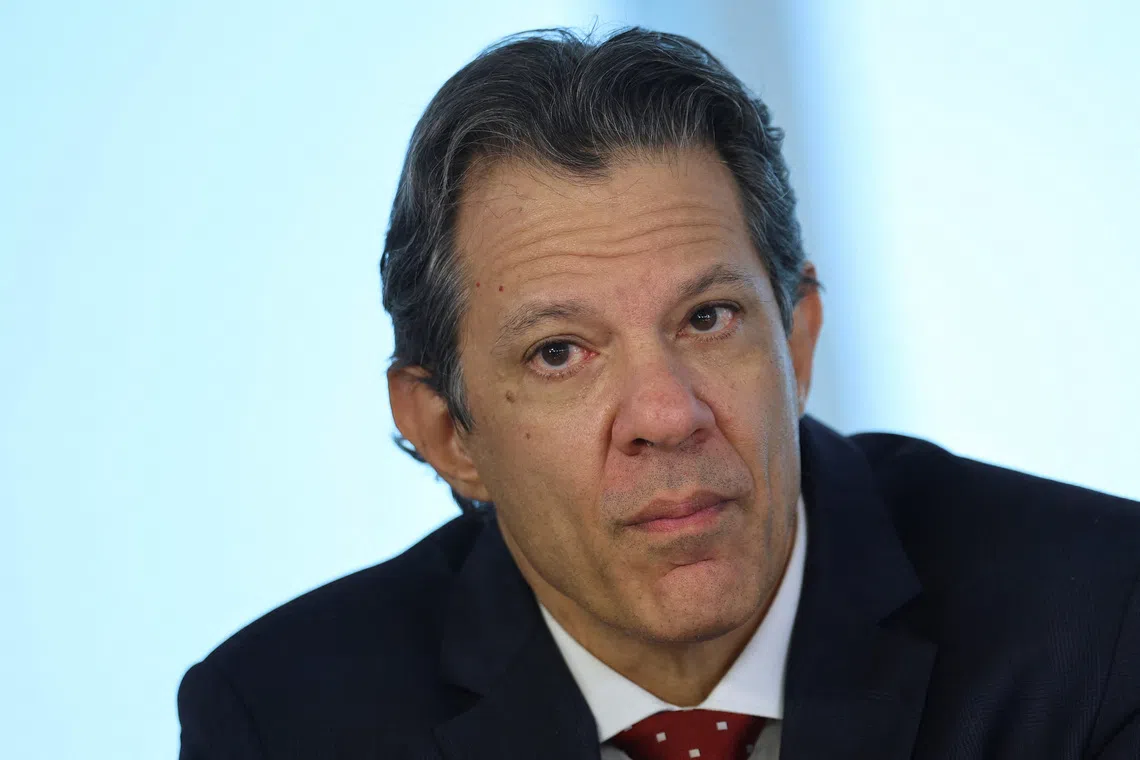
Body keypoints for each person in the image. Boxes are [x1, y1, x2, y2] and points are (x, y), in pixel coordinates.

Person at [176, 27, 1140, 760]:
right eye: (560, 353)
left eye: (709, 319)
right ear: (446, 431)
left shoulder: (1096, 621)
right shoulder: (285, 719)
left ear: (797, 339)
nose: (668, 415)